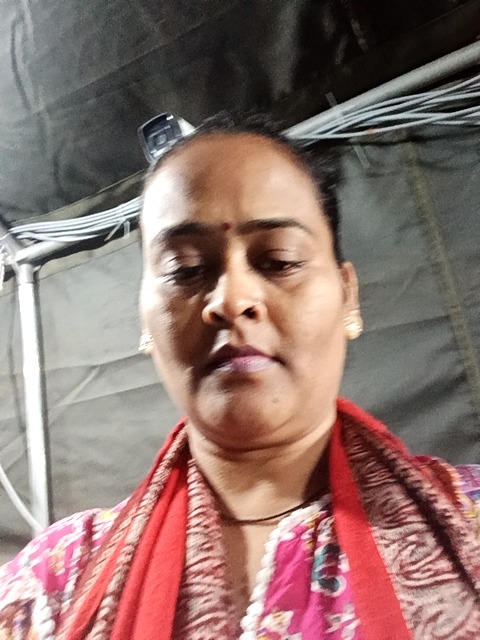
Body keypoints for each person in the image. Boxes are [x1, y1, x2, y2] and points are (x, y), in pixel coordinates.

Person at [1, 113, 480, 640]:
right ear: (144, 322)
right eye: (185, 269)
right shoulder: (54, 582)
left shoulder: (468, 519)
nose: (231, 300)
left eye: (279, 261)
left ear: (348, 296)